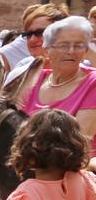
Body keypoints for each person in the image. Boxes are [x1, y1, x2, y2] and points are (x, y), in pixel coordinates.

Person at [16, 15, 96, 148]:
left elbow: (79, 142)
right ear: (47, 50)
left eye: (78, 46)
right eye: (64, 45)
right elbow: (14, 128)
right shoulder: (34, 79)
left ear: (86, 51)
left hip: (71, 164)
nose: (71, 51)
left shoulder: (92, 82)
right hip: (26, 162)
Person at [0, 3, 68, 78]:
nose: (32, 39)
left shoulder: (80, 74)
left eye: (40, 32)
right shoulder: (20, 72)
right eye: (28, 34)